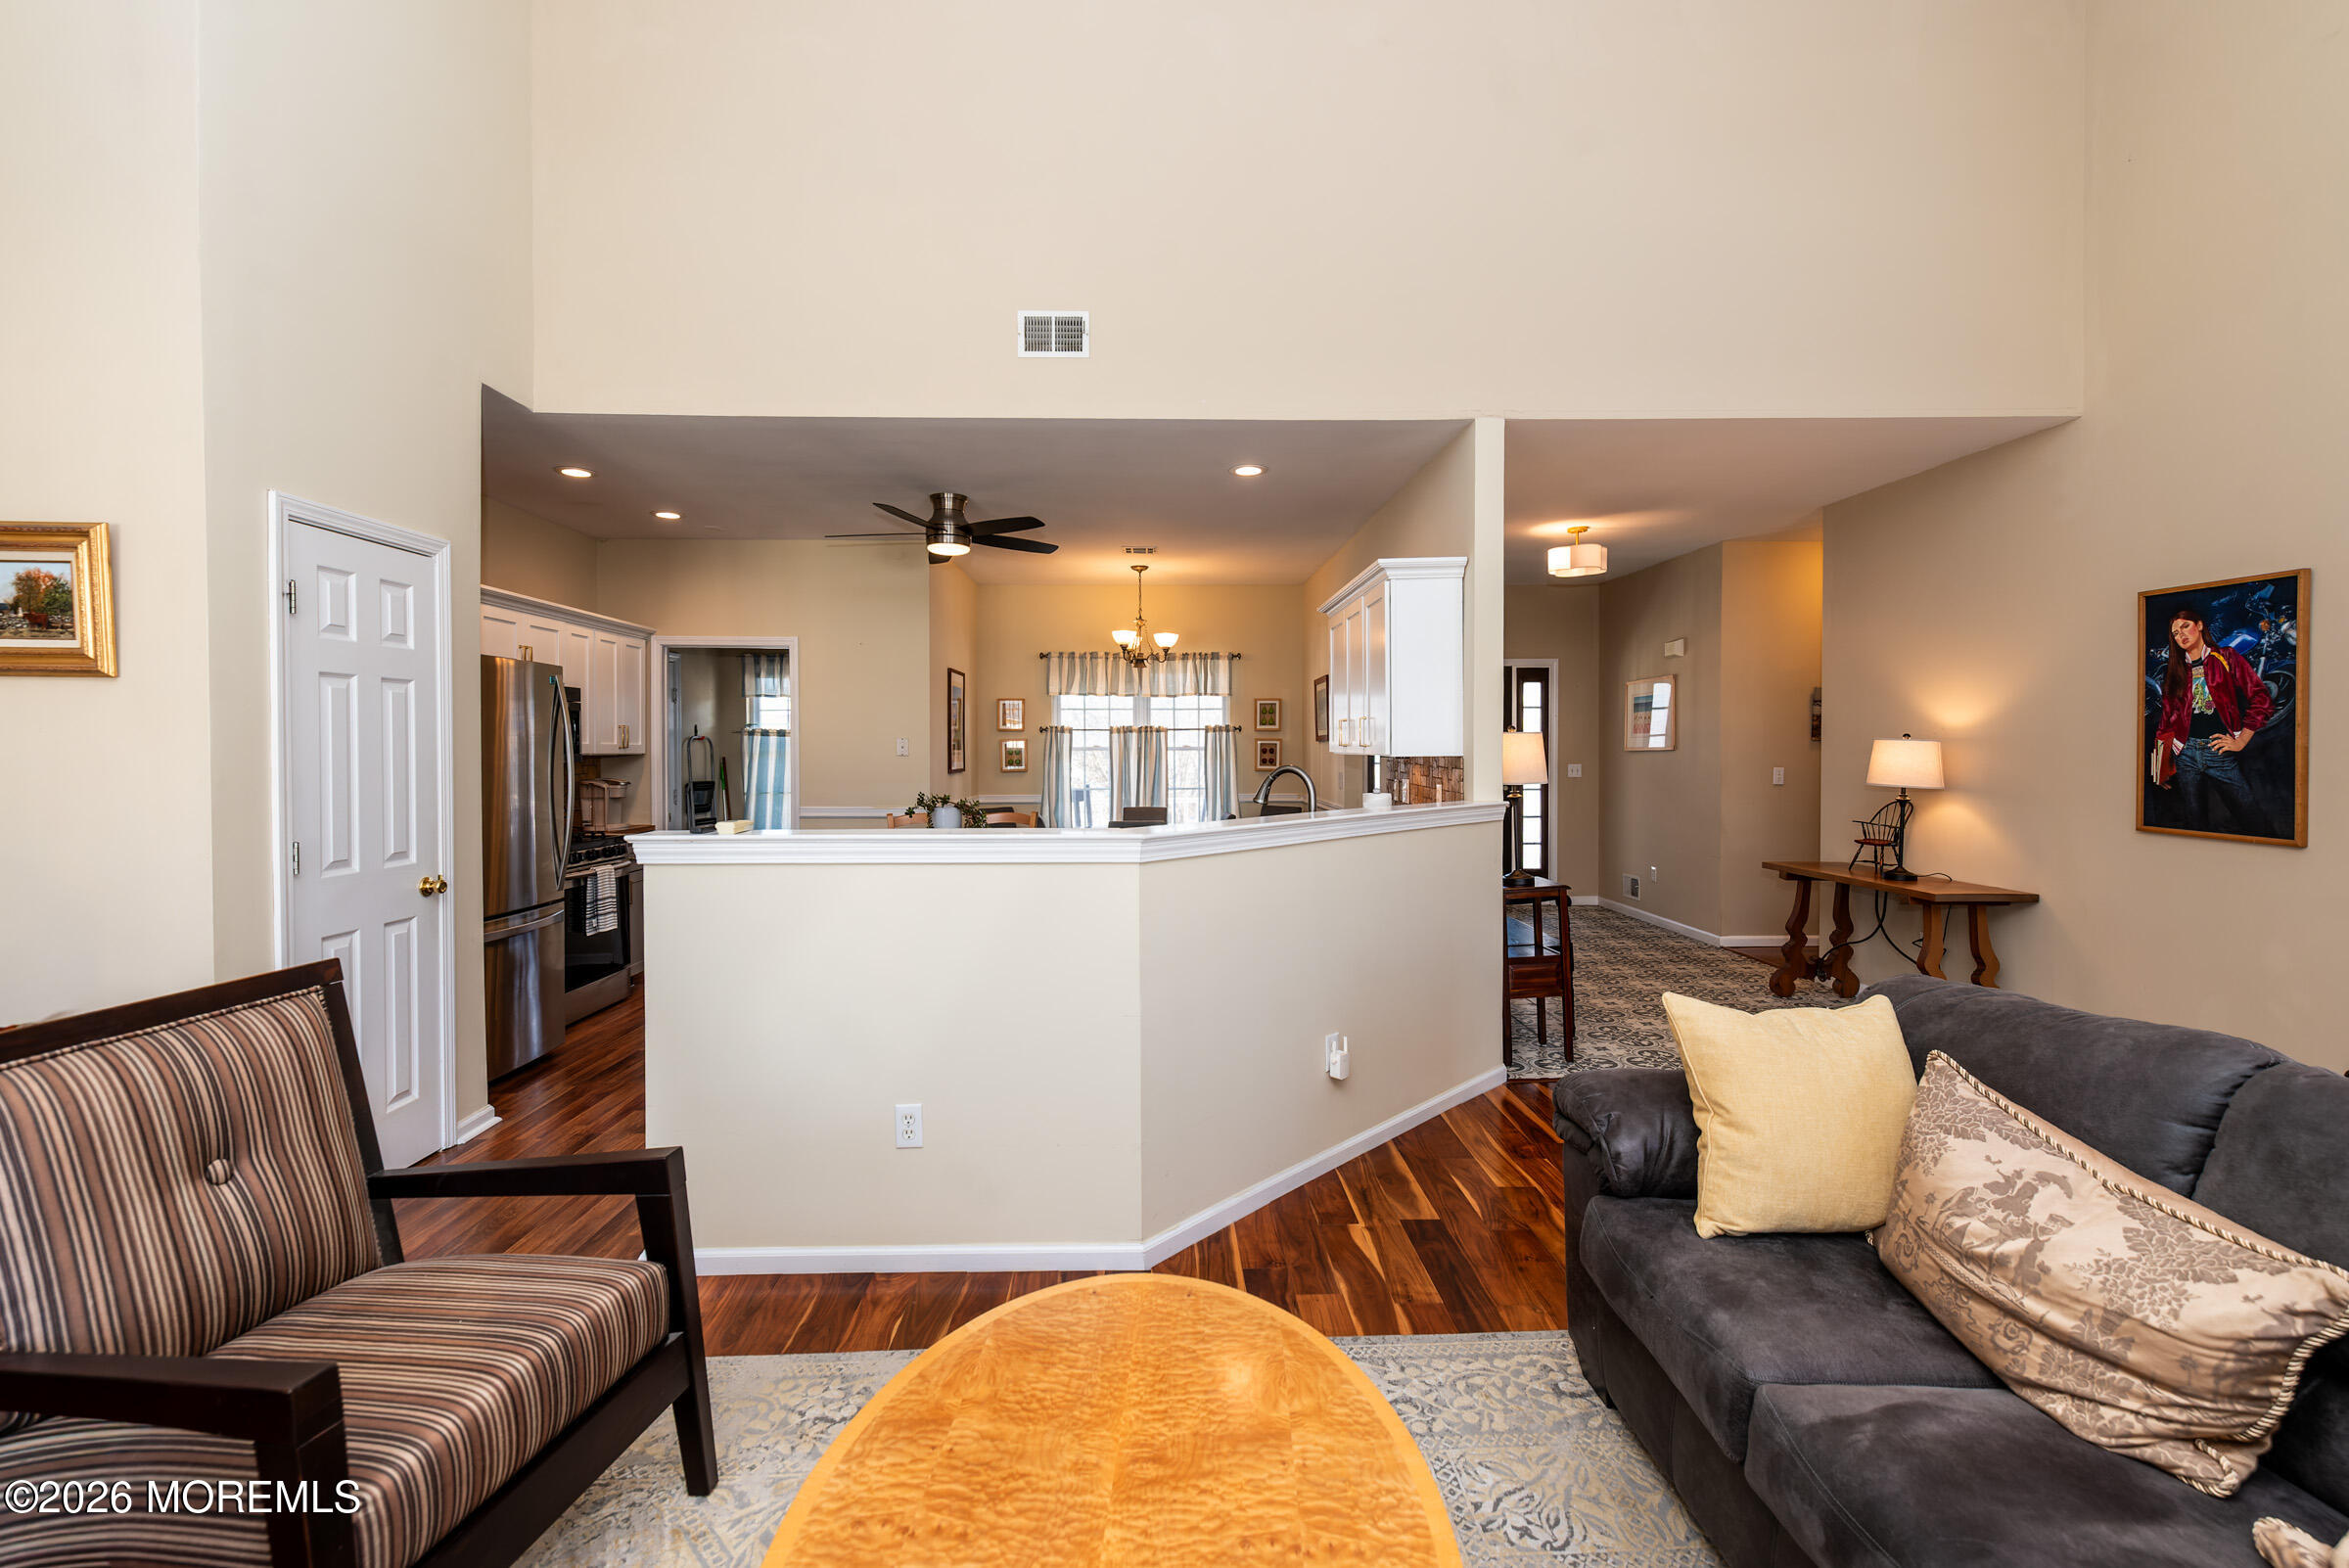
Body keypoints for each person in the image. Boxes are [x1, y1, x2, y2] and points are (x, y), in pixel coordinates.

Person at [2152, 603, 2276, 835]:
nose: (2181, 635)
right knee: (2196, 823)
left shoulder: (2226, 657)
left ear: (2199, 626)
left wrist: (2241, 740)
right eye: (2175, 633)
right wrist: (2159, 767)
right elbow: (2167, 719)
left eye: (2185, 627)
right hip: (2185, 755)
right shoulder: (2176, 670)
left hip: (2219, 753)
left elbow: (2261, 699)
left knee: (2253, 820)